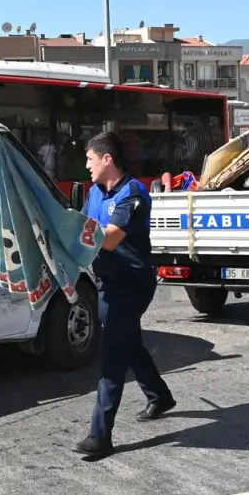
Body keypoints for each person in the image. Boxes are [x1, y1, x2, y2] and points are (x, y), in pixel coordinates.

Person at [74, 131, 176, 460]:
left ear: (107, 159)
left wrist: (72, 230)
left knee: (112, 355)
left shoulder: (133, 193)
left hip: (132, 284)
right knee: (128, 341)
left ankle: (99, 435)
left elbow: (110, 238)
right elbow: (84, 227)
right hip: (107, 281)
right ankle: (159, 395)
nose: (86, 165)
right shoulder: (93, 192)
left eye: (90, 159)